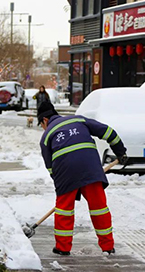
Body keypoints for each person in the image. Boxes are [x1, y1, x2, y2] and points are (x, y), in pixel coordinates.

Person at [37, 101, 128, 256]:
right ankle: (108, 247)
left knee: (64, 210)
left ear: (45, 120)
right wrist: (120, 152)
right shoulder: (78, 120)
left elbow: (50, 166)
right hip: (90, 168)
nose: (43, 128)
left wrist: (64, 185)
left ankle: (62, 248)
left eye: (41, 124)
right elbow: (108, 132)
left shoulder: (46, 137)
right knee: (99, 208)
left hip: (65, 172)